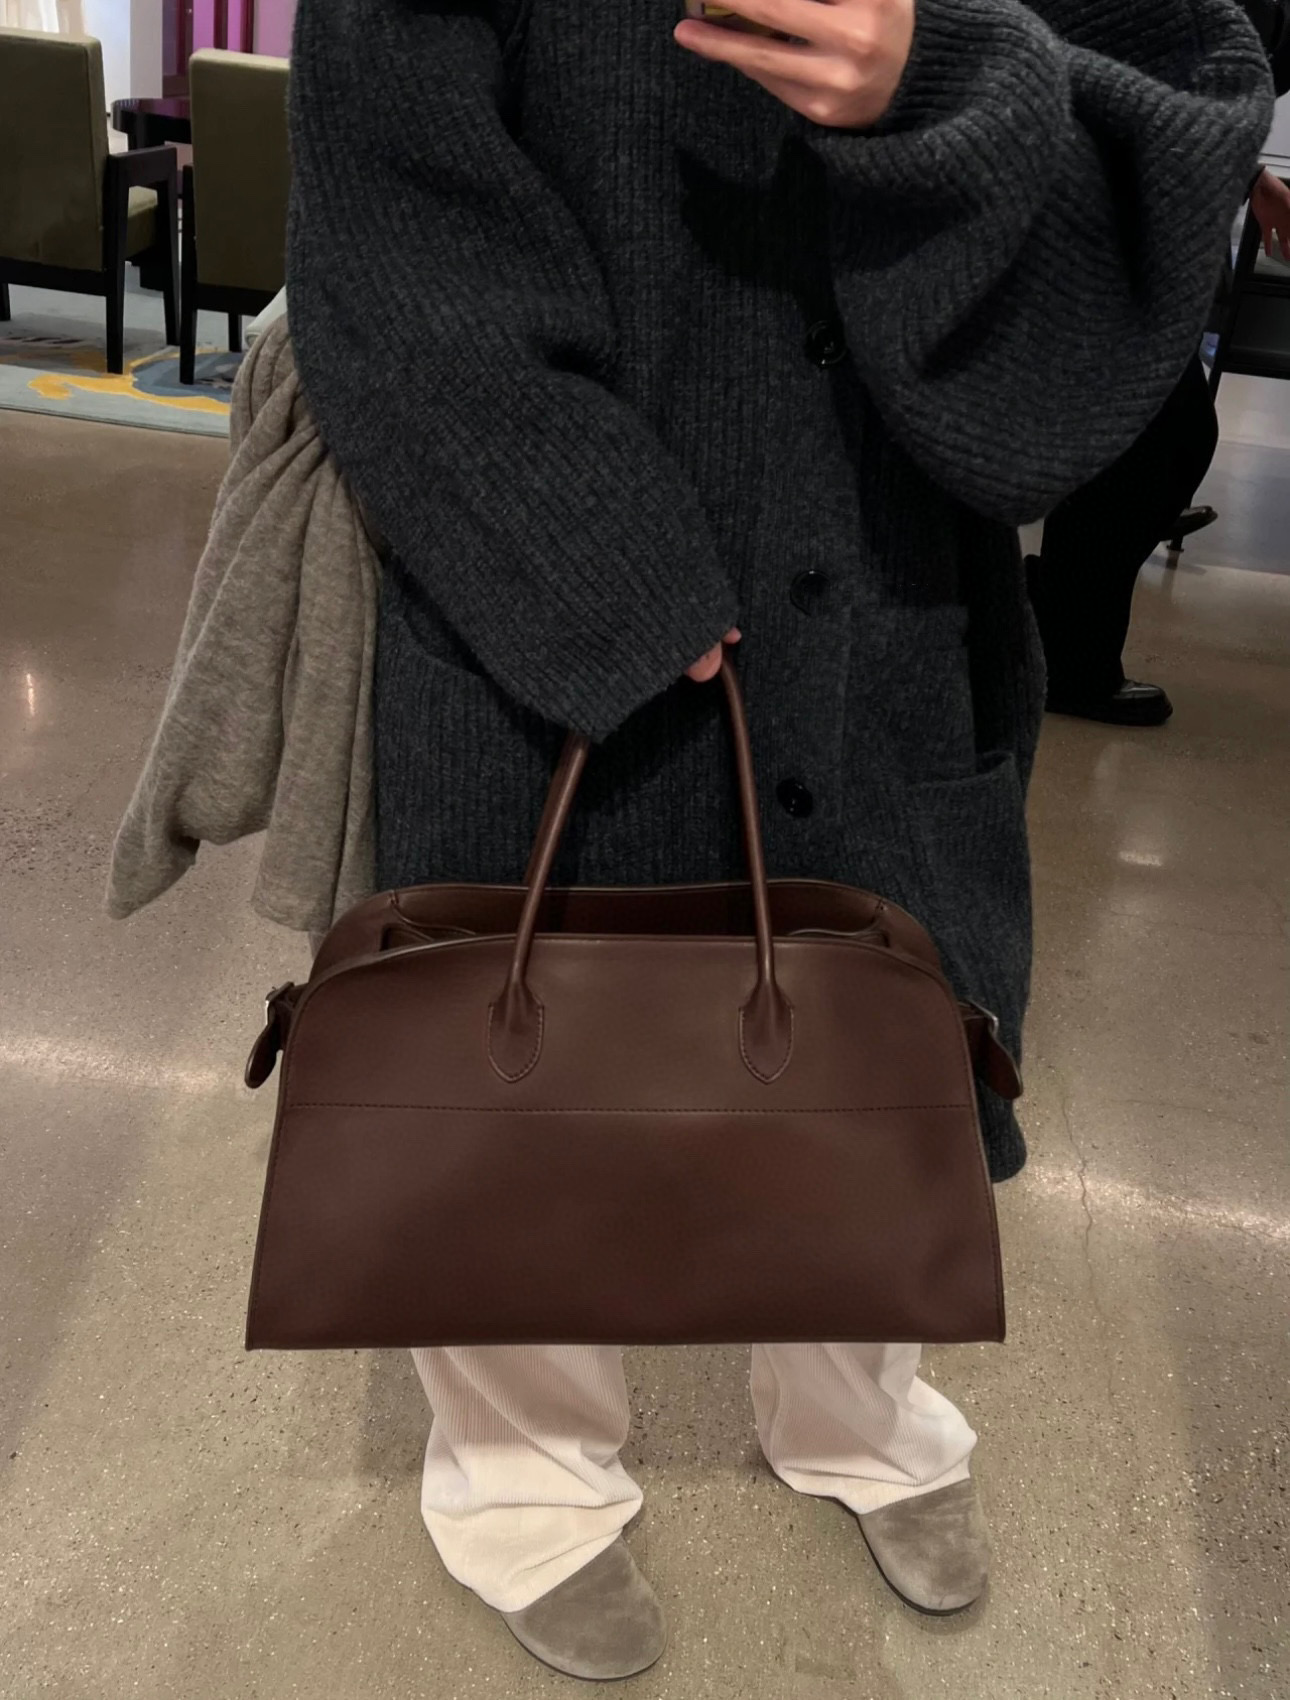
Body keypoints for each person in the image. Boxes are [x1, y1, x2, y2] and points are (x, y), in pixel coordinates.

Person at [285, 0, 1272, 1679]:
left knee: (881, 1035)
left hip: (888, 572)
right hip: (531, 557)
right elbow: (389, 230)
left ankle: (859, 1415)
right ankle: (524, 1474)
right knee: (513, 1053)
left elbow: (1186, 109)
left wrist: (938, 85)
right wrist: (588, 554)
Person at [1028, 0, 1290, 727]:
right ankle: (1066, 660)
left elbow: (1180, 73)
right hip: (1092, 204)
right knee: (1153, 449)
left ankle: (1054, 614)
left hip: (1125, 202)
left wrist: (1253, 179)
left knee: (1164, 445)